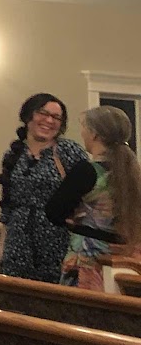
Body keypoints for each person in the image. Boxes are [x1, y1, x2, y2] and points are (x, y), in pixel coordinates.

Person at [46, 105, 141, 290]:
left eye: (84, 127)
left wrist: (75, 220)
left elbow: (54, 211)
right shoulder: (134, 174)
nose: (82, 133)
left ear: (95, 134)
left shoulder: (87, 171)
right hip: (126, 260)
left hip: (89, 259)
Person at [0, 92, 85, 283]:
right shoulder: (14, 154)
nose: (49, 121)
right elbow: (7, 205)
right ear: (29, 116)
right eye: (43, 113)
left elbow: (88, 196)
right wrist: (3, 246)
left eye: (56, 117)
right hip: (17, 246)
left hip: (57, 245)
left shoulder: (69, 151)